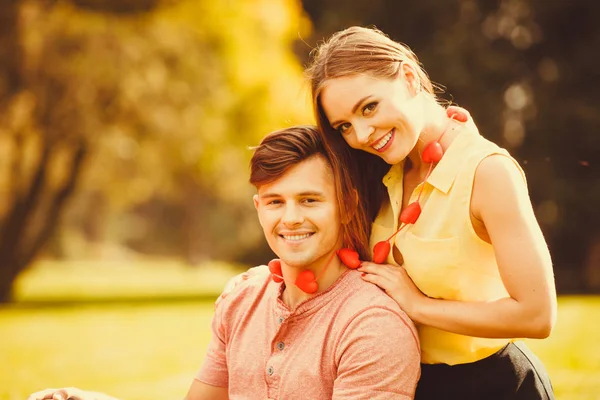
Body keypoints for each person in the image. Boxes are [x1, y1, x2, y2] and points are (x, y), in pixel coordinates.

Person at [28, 125, 421, 400]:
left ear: (347, 205)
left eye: (309, 200)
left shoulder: (372, 324)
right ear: (258, 208)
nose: (290, 218)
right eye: (274, 202)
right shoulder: (243, 298)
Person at [305, 26, 557, 399]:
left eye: (369, 107)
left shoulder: (488, 172)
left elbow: (536, 315)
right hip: (408, 385)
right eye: (344, 126)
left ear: (408, 77)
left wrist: (418, 305)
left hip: (494, 386)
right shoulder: (380, 173)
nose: (361, 135)